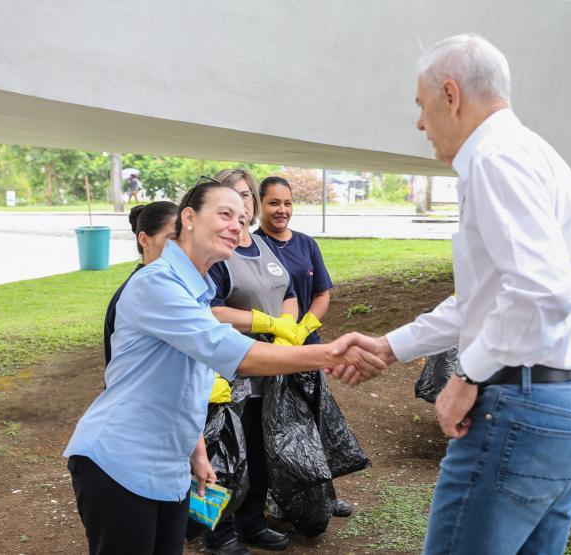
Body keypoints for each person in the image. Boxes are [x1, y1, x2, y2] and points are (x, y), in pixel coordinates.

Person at [331, 34, 571, 554]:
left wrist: (467, 373)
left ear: (451, 94)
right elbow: (489, 297)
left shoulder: (494, 159)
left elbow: (540, 292)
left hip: (521, 410)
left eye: (421, 105)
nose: (420, 122)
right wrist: (392, 345)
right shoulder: (532, 153)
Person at [63, 177, 386, 555]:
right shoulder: (156, 284)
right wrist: (330, 353)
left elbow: (183, 385)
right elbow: (235, 353)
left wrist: (198, 455)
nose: (237, 223)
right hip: (119, 463)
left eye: (241, 215)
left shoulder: (193, 289)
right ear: (189, 218)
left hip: (170, 468)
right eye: (225, 214)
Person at [202, 168, 297, 555]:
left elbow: (287, 289)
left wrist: (286, 324)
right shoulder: (218, 254)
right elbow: (209, 310)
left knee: (258, 449)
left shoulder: (263, 244)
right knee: (219, 454)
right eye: (233, 196)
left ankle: (251, 522)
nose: (242, 203)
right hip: (229, 371)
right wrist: (264, 322)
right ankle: (215, 533)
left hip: (268, 367)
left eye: (246, 195)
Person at [255, 175, 354, 519]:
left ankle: (325, 496)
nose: (282, 210)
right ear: (259, 204)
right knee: (278, 428)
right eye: (274, 203)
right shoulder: (252, 246)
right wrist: (281, 333)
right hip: (270, 354)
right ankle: (279, 499)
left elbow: (322, 294)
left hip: (307, 349)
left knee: (315, 420)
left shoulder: (307, 244)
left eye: (287, 203)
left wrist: (305, 326)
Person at [104, 201, 177, 366]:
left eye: (184, 239)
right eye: (172, 239)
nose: (182, 247)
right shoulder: (140, 292)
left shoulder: (167, 285)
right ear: (144, 240)